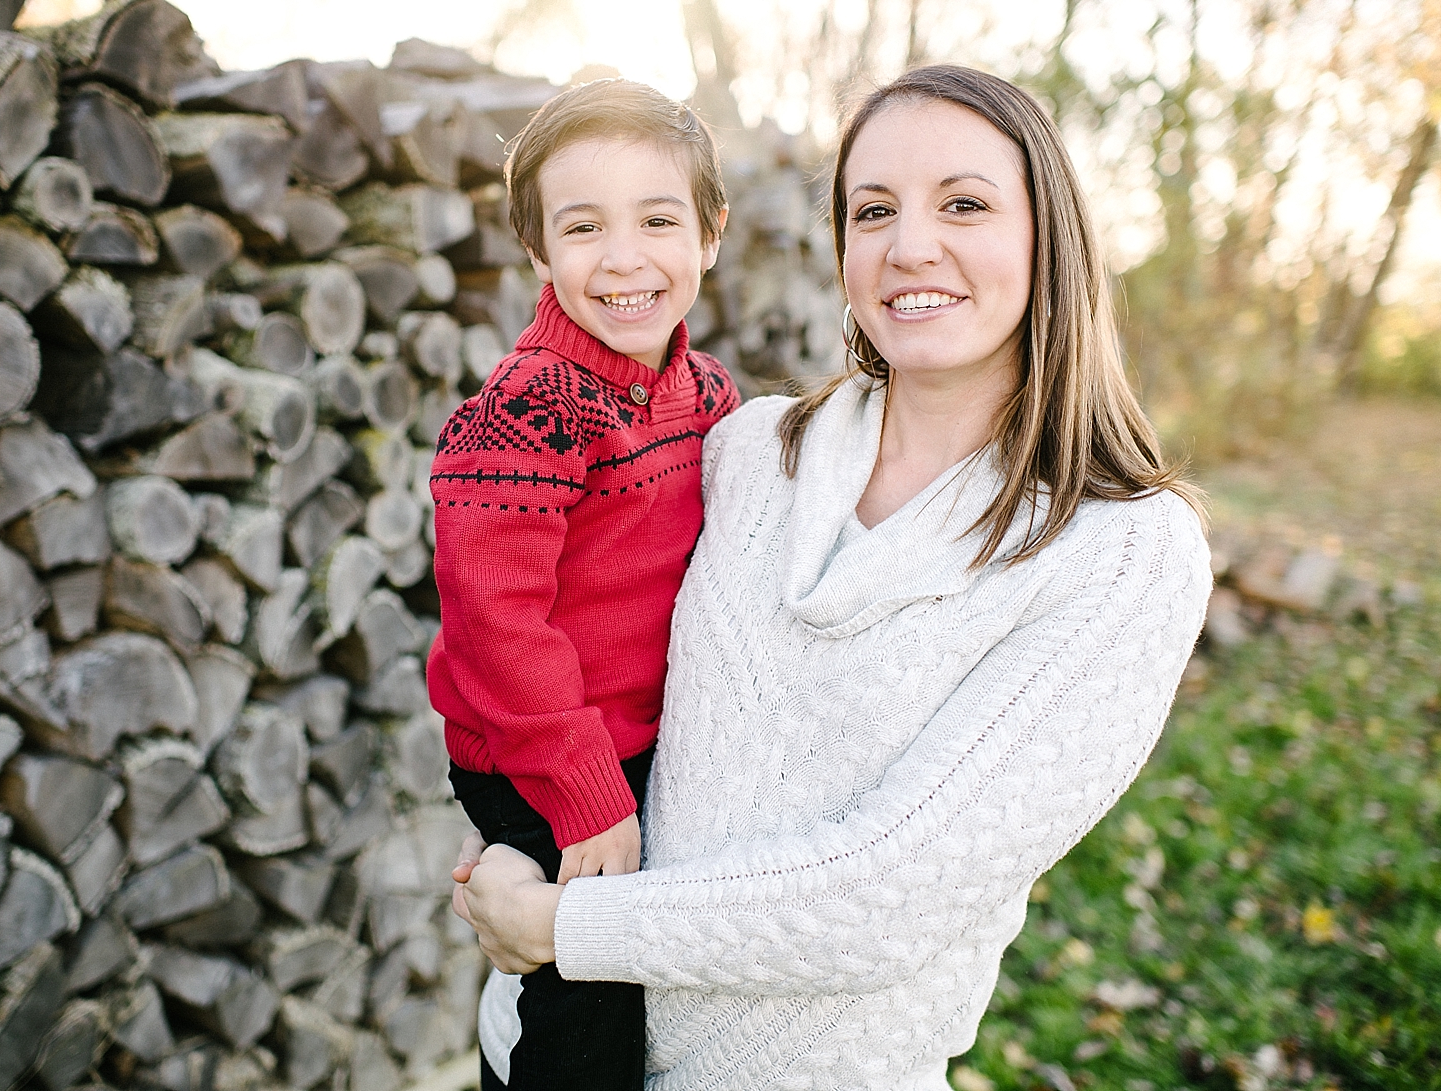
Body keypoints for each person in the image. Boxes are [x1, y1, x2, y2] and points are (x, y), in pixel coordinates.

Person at [451, 64, 1214, 1090]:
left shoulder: (1119, 550)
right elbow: (546, 632)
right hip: (535, 1045)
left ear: (1049, 236)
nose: (909, 246)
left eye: (963, 203)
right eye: (872, 209)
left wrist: (561, 919)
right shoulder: (746, 446)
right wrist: (517, 842)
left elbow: (884, 893)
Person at [426, 78, 738, 1091]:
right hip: (537, 748)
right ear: (537, 251)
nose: (623, 257)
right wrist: (584, 793)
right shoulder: (524, 412)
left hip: (641, 739)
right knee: (587, 994)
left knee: (660, 973)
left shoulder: (705, 394)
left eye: (657, 219)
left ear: (710, 234)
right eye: (582, 226)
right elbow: (494, 627)